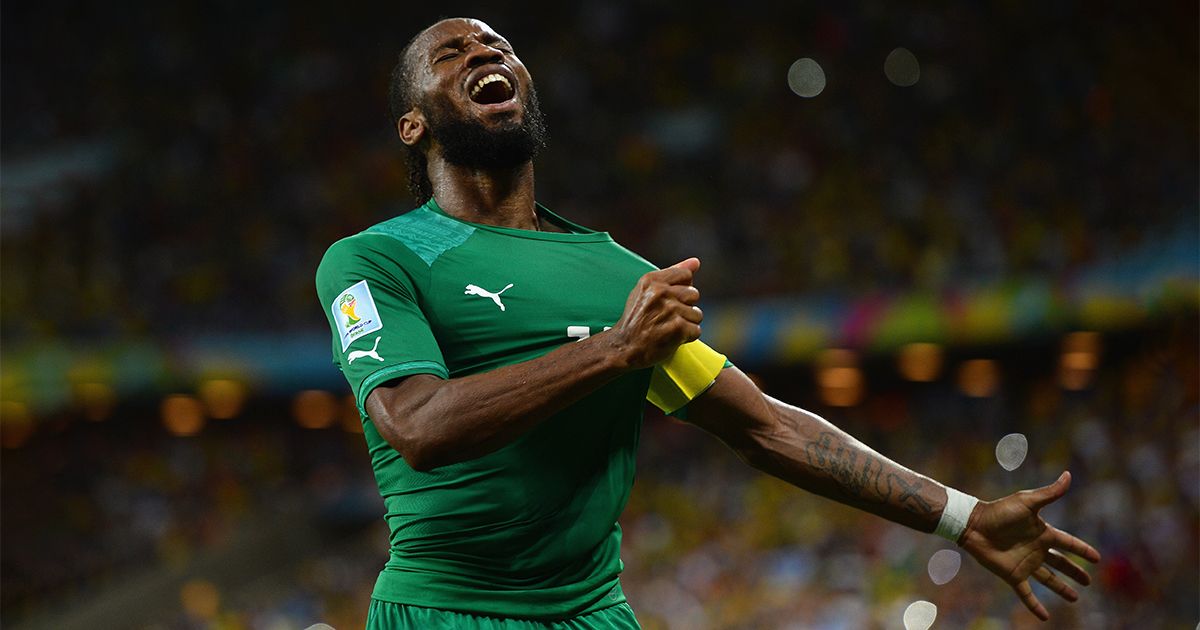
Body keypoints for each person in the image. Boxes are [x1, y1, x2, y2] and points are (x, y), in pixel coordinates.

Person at [316, 17, 1100, 629]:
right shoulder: (374, 260)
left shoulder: (622, 276)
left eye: (497, 43)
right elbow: (415, 425)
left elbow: (764, 428)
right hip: (447, 612)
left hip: (593, 614)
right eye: (450, 52)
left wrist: (961, 517)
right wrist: (616, 352)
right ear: (414, 125)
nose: (484, 50)